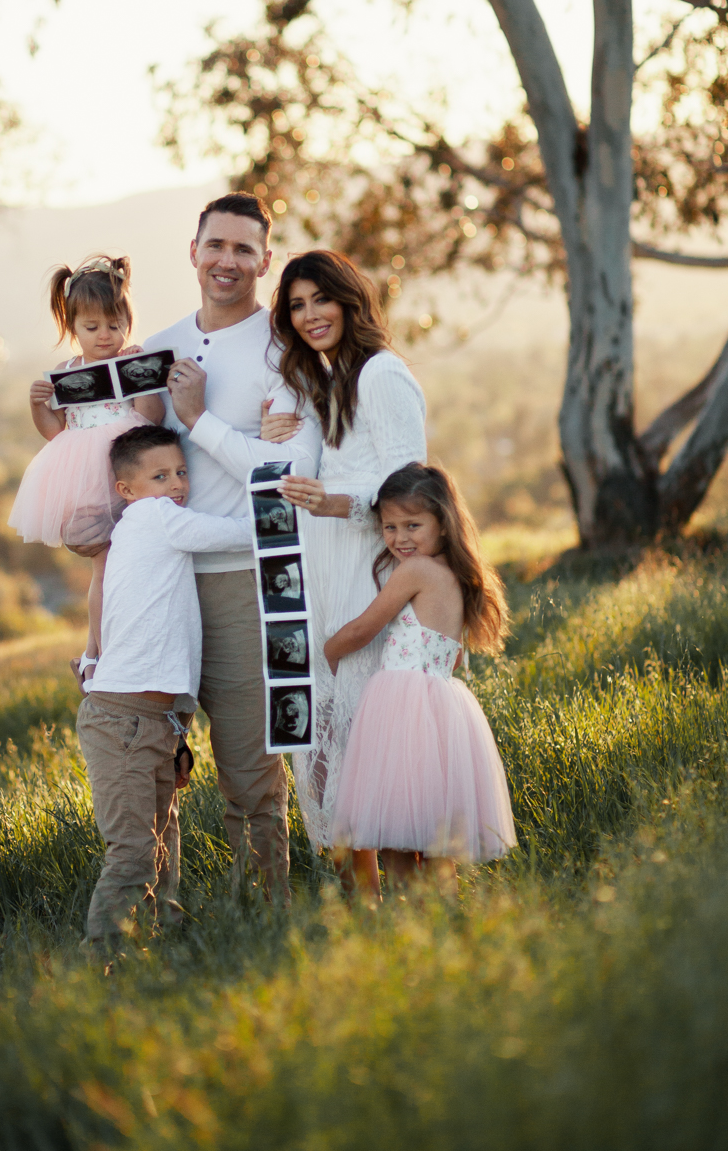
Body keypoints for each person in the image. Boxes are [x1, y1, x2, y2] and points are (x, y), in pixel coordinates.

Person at [144, 193, 322, 902]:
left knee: (250, 767)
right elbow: (119, 454)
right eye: (216, 245)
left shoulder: (284, 355)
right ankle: (154, 915)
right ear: (192, 251)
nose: (227, 261)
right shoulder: (156, 346)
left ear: (265, 262)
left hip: (246, 582)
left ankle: (263, 913)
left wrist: (197, 417)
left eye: (244, 250)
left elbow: (288, 475)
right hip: (162, 585)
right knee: (155, 762)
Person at [263, 250, 427, 873]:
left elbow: (412, 483)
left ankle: (411, 896)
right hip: (321, 570)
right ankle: (358, 903)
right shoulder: (326, 382)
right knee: (327, 732)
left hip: (368, 566)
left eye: (319, 300)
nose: (309, 316)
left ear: (349, 299)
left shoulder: (382, 374)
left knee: (374, 731)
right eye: (296, 307)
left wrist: (337, 504)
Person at [75, 424, 252, 958]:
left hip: (153, 720)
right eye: (159, 476)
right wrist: (290, 509)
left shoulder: (147, 525)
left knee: (161, 846)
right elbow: (233, 535)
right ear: (126, 490)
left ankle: (158, 948)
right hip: (124, 720)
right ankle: (99, 959)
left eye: (180, 472)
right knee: (132, 851)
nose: (176, 483)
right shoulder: (153, 518)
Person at [325, 462, 516, 898]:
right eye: (389, 527)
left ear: (443, 525)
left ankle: (408, 923)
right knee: (434, 839)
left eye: (413, 525)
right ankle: (440, 919)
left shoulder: (415, 572)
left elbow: (364, 629)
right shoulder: (455, 574)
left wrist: (327, 652)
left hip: (403, 703)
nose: (399, 538)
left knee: (395, 835)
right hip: (441, 706)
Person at [8, 255, 164, 648]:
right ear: (72, 327)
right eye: (92, 327)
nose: (105, 336)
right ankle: (98, 645)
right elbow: (56, 433)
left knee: (144, 556)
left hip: (134, 468)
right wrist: (38, 406)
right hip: (89, 479)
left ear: (129, 322)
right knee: (104, 564)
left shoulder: (133, 361)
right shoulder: (68, 371)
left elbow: (152, 420)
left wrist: (141, 379)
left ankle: (145, 633)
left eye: (116, 325)